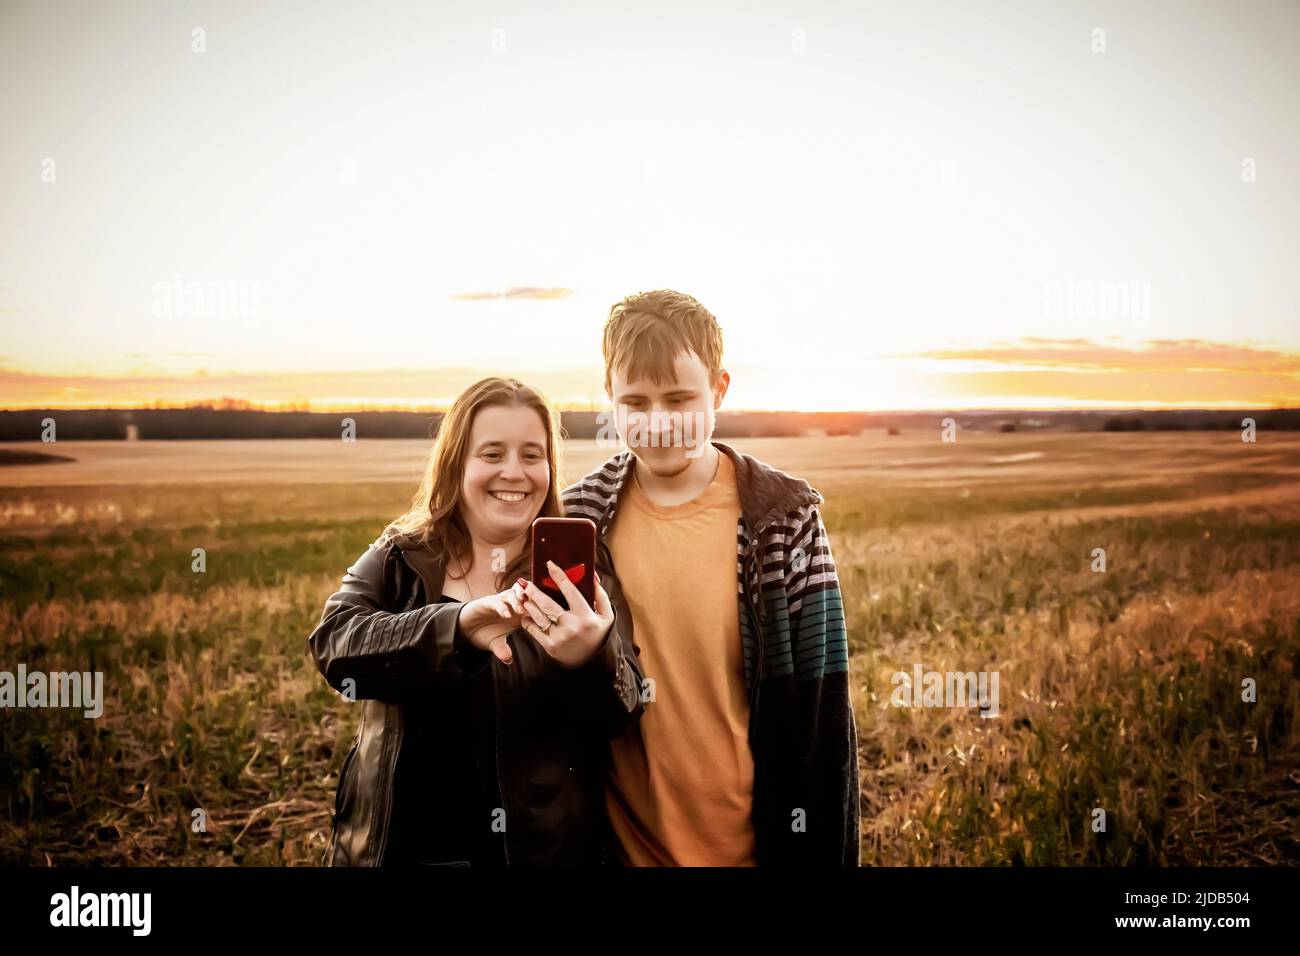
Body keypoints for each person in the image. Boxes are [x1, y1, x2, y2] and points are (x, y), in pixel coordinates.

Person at [562, 289, 860, 865]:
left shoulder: (784, 522)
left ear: (720, 389)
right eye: (636, 402)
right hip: (617, 852)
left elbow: (820, 717)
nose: (659, 423)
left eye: (680, 399)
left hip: (757, 847)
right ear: (608, 398)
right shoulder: (580, 520)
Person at [308, 376, 644, 865]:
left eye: (532, 455)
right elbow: (334, 646)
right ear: (457, 463)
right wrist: (458, 626)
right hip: (401, 852)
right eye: (492, 454)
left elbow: (625, 710)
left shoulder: (579, 573)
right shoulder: (403, 556)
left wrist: (593, 656)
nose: (515, 472)